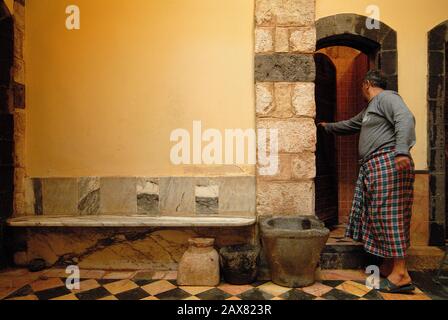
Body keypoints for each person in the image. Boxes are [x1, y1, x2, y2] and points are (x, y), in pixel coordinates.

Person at [318, 70, 417, 294]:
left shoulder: (386, 98)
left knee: (390, 215)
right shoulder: (369, 110)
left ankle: (401, 274)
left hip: (389, 162)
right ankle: (390, 265)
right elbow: (351, 125)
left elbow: (405, 118)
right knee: (377, 215)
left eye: (363, 87)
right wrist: (326, 127)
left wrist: (402, 151)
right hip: (375, 166)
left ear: (367, 84)